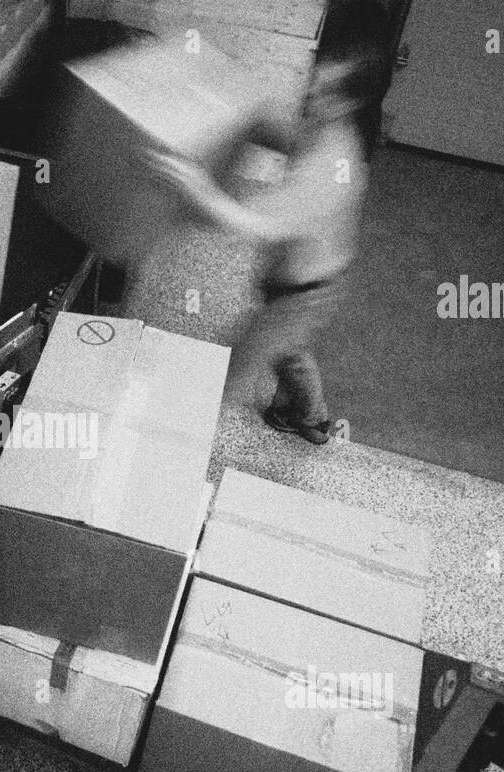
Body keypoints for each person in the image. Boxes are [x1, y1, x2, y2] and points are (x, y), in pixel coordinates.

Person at [145, 0, 393, 444]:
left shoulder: (334, 166)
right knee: (290, 353)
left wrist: (196, 186)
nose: (312, 93)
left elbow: (251, 224)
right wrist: (228, 111)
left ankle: (177, 444)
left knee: (237, 363)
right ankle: (308, 416)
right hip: (288, 277)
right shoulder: (326, 122)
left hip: (304, 293)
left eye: (326, 91)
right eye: (316, 75)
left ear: (351, 101)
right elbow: (280, 133)